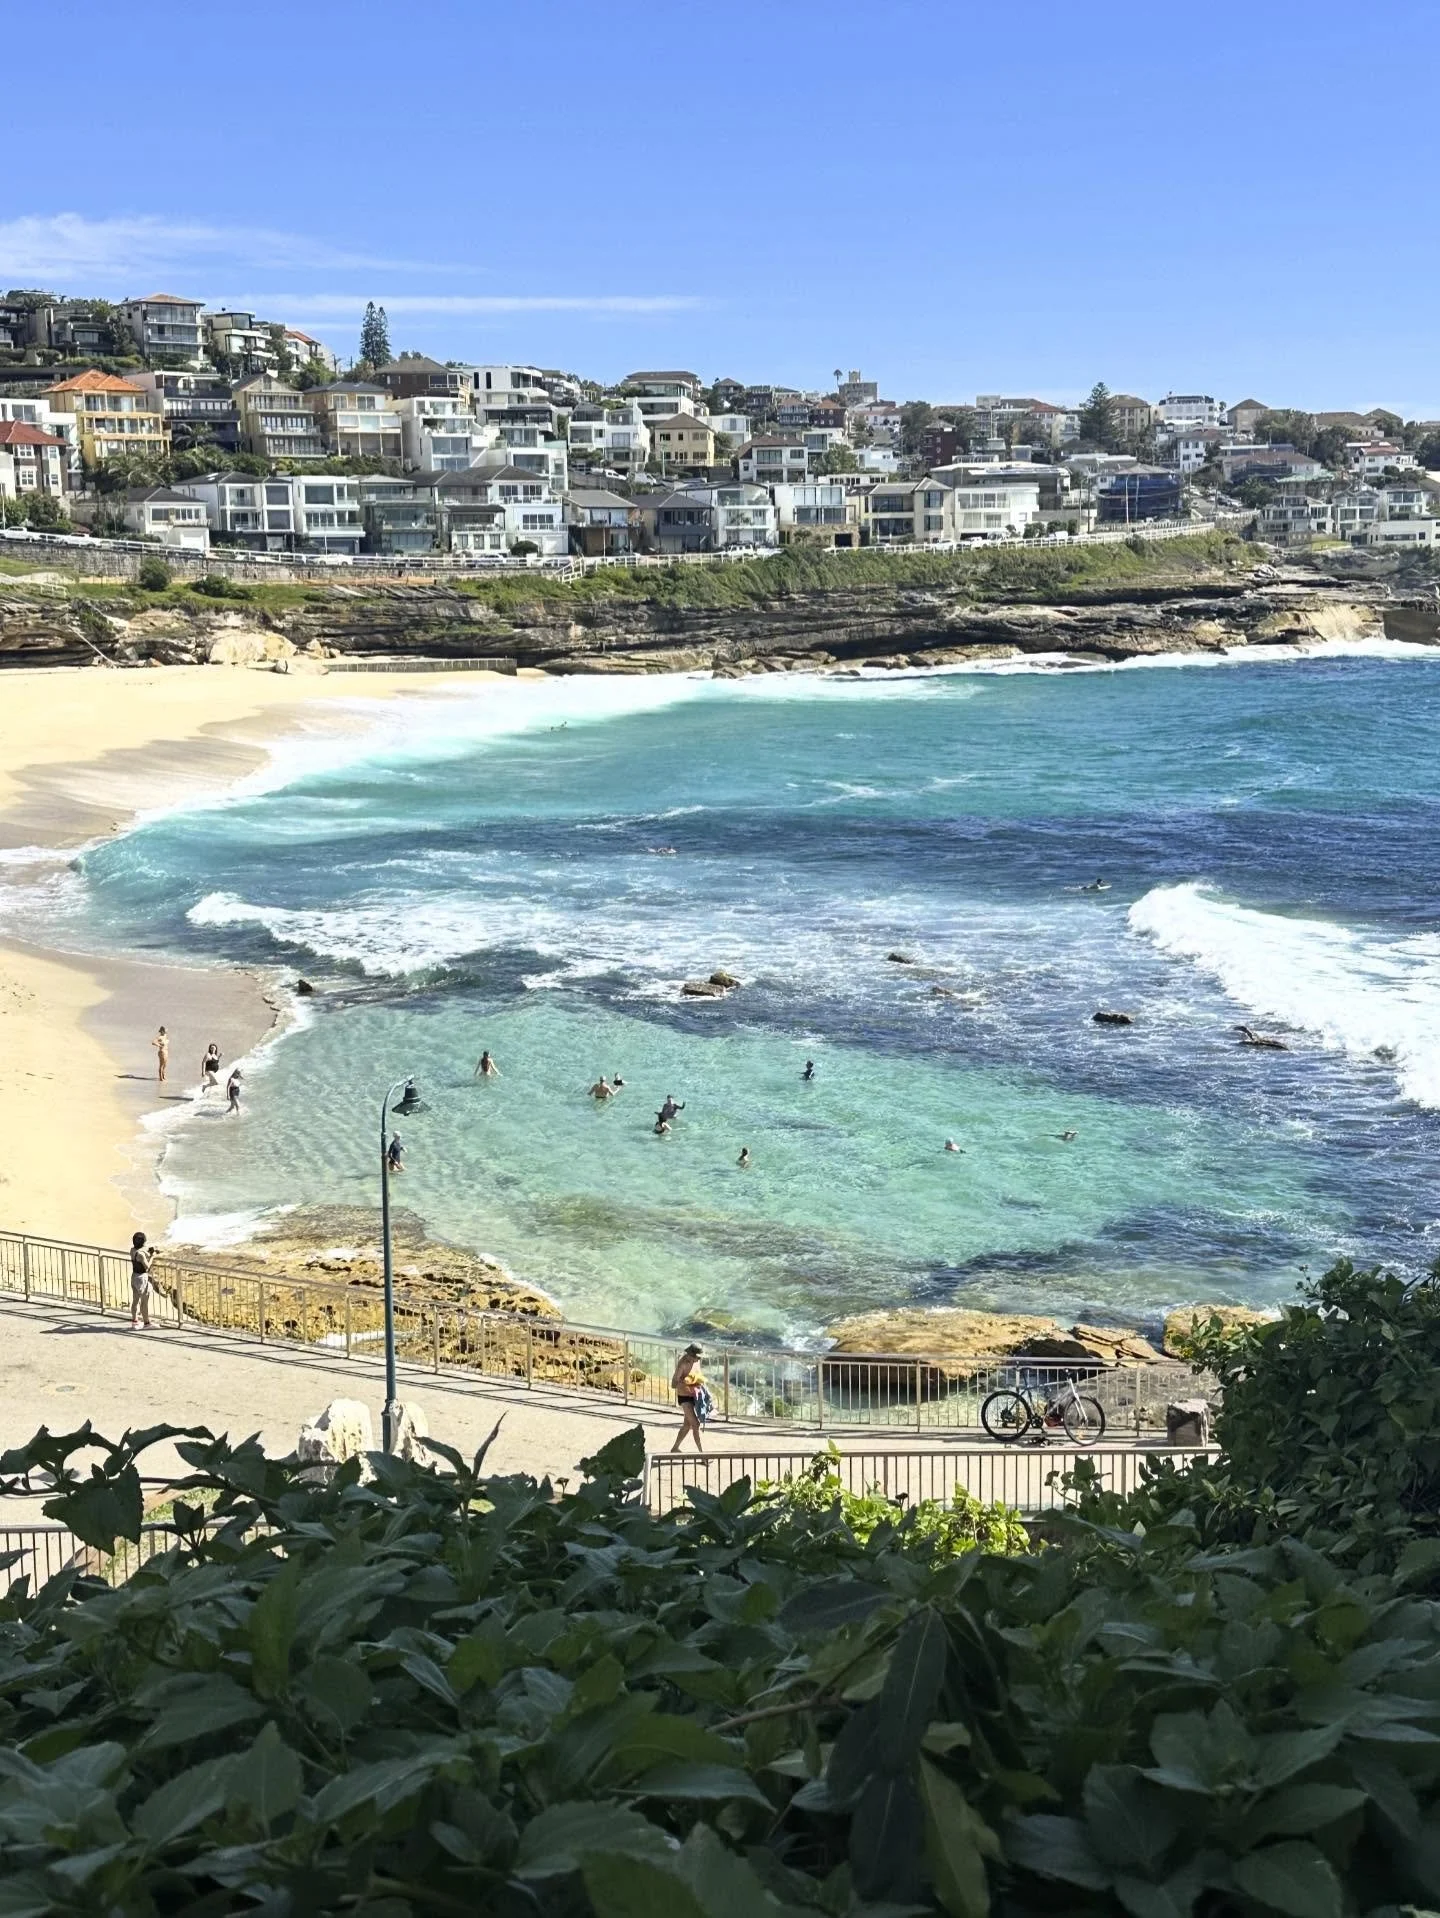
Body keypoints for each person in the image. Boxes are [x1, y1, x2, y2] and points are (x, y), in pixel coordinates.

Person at [670, 1345, 705, 1452]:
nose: (699, 1359)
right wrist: (685, 1383)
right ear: (690, 1355)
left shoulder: (696, 1361)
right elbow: (673, 1384)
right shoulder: (682, 1364)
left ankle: (675, 1448)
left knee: (687, 1425)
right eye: (697, 1357)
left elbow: (697, 1375)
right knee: (695, 1424)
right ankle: (702, 1455)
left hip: (694, 1395)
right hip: (685, 1397)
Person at [130, 1231, 155, 1329]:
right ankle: (146, 1323)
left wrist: (147, 1251)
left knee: (135, 1300)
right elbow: (147, 1267)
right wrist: (152, 1256)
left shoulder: (132, 1250)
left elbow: (139, 1254)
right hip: (141, 1278)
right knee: (144, 1301)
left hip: (134, 1276)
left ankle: (134, 1321)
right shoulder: (141, 1254)